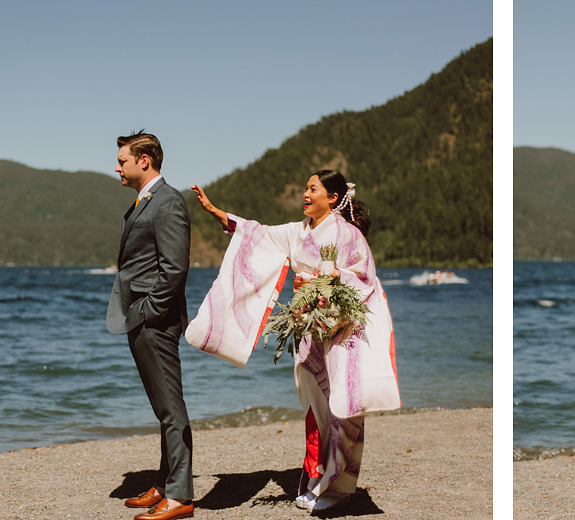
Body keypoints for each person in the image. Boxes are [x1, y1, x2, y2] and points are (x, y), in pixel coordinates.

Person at [187, 170, 401, 512]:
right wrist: (219, 214)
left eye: (312, 189)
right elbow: (259, 235)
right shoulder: (297, 232)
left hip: (340, 332)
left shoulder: (348, 236)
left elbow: (364, 278)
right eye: (305, 187)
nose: (305, 193)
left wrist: (332, 276)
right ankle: (316, 480)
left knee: (341, 409)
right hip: (308, 330)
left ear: (331, 197)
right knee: (315, 410)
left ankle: (336, 487)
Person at [106, 131, 195, 520]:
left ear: (145, 161)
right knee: (163, 409)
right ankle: (164, 484)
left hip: (154, 321)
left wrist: (147, 311)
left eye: (122, 160)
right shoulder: (145, 200)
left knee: (171, 410)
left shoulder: (168, 201)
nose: (117, 166)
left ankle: (180, 497)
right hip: (141, 318)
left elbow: (175, 268)